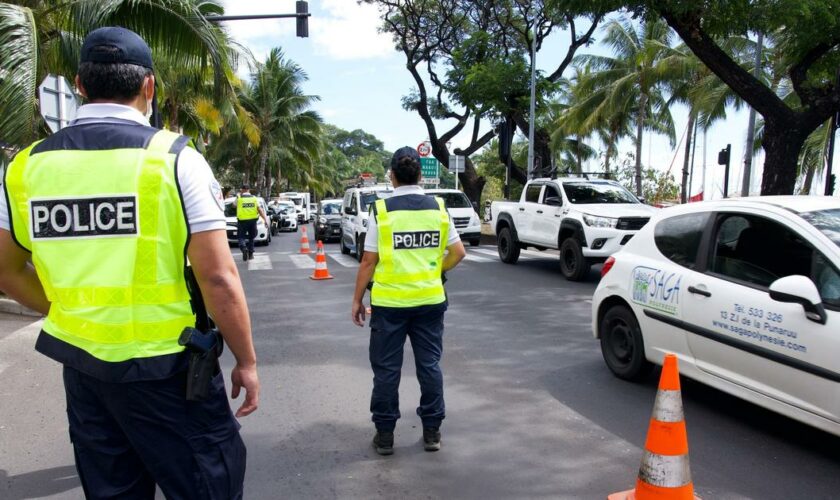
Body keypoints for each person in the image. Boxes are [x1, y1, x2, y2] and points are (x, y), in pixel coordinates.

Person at [0, 27, 259, 499]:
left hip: (84, 371)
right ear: (149, 87)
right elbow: (218, 276)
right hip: (168, 370)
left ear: (79, 84)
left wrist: (67, 313)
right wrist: (246, 359)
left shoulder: (25, 168)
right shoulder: (173, 158)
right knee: (209, 483)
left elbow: (7, 270)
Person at [351, 147, 466, 456]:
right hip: (429, 301)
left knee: (387, 370)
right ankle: (432, 433)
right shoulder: (438, 208)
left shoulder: (383, 210)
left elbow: (368, 261)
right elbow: (458, 253)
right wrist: (433, 270)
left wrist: (357, 300)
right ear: (420, 175)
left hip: (389, 306)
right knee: (429, 365)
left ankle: (385, 435)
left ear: (392, 176)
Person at [236, 184, 268, 261]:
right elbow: (259, 210)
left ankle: (243, 248)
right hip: (253, 221)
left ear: (242, 190)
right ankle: (250, 254)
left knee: (241, 237)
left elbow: (233, 205)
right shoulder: (254, 199)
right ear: (249, 190)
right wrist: (265, 219)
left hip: (242, 221)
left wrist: (238, 196)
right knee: (251, 238)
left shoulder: (239, 198)